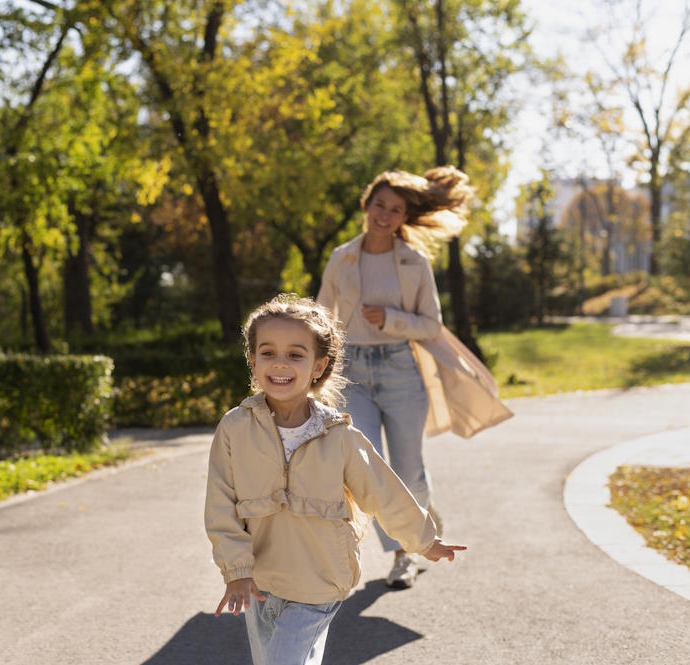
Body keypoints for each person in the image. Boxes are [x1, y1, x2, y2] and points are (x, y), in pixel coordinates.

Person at [204, 294, 466, 665]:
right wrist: (236, 570)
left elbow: (383, 490)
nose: (280, 364)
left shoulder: (339, 436)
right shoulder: (234, 429)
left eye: (295, 355)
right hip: (260, 580)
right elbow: (220, 504)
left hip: (320, 580)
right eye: (268, 352)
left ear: (318, 365)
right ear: (252, 359)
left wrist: (423, 541)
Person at [317, 166, 511, 590]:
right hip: (353, 373)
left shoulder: (413, 262)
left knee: (407, 468)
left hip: (401, 371)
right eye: (379, 205)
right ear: (366, 204)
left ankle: (409, 552)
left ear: (405, 217)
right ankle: (407, 544)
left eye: (395, 209)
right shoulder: (341, 258)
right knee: (370, 467)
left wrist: (391, 319)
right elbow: (321, 317)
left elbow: (430, 325)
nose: (385, 215)